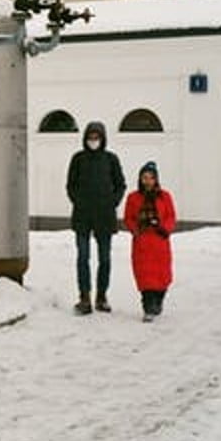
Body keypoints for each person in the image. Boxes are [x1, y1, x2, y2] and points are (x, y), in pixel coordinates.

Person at [66, 121, 126, 315]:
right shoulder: (78, 159)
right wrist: (78, 201)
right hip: (82, 216)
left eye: (97, 137)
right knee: (83, 257)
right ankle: (84, 296)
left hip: (105, 216)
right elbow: (70, 185)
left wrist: (112, 202)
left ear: (103, 138)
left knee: (105, 259)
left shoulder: (111, 159)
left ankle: (101, 296)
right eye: (90, 137)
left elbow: (120, 185)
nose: (94, 140)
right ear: (85, 138)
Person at [123, 161, 176, 322]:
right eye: (144, 177)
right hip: (142, 241)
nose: (147, 181)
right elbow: (128, 218)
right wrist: (135, 230)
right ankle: (147, 306)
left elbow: (171, 216)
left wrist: (165, 229)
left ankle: (158, 300)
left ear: (156, 179)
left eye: (151, 178)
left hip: (160, 240)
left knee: (162, 276)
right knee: (144, 276)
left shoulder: (165, 196)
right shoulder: (133, 197)